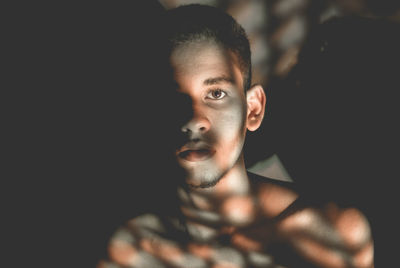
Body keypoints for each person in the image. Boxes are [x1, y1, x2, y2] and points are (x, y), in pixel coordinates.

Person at [97, 5, 374, 268]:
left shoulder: (330, 234)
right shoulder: (132, 248)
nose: (195, 119)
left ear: (253, 109)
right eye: (173, 98)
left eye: (216, 94)